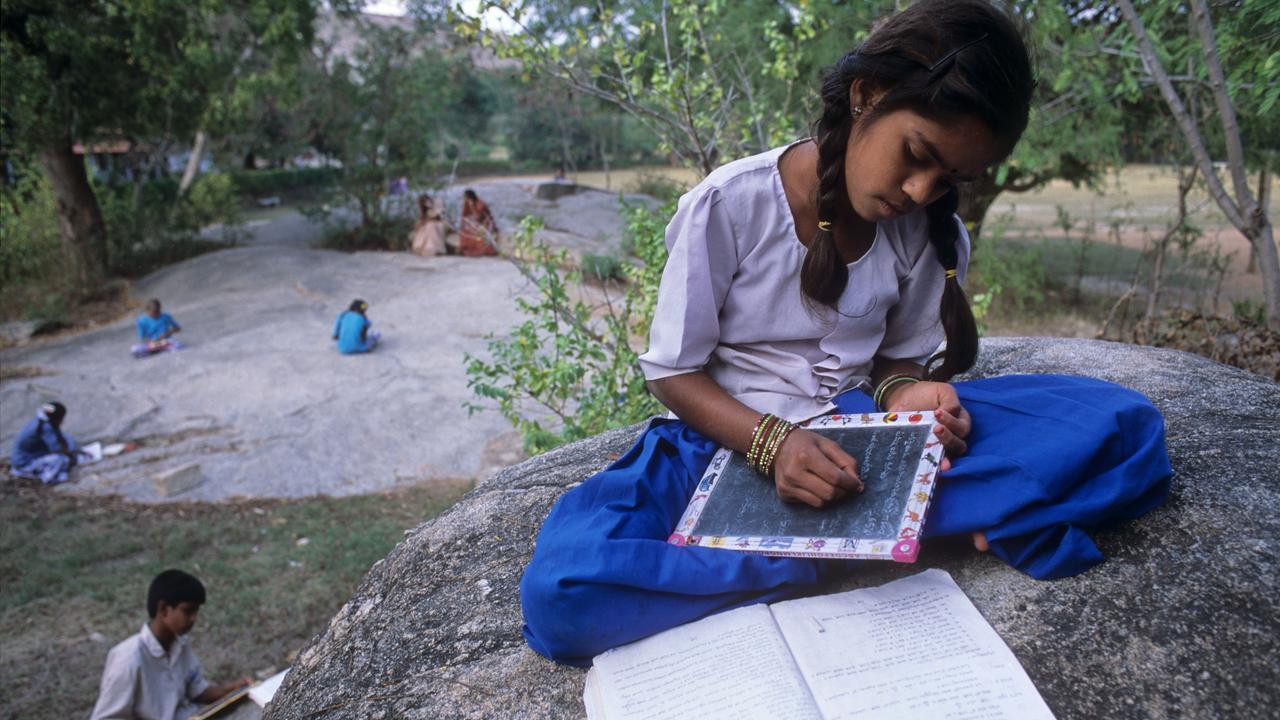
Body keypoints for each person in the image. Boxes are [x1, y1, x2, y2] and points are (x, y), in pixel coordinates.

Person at [519, 0, 1172, 667]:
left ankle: (831, 539)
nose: (921, 191)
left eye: (950, 178)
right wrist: (774, 446)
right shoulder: (732, 203)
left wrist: (904, 396)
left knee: (1128, 428)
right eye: (916, 155)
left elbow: (893, 361)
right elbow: (673, 373)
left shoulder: (925, 231)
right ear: (868, 94)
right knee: (562, 593)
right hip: (721, 444)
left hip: (868, 451)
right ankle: (833, 557)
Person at [90, 570, 251, 720]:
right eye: (188, 611)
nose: (194, 618)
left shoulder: (180, 643)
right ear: (163, 609)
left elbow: (197, 691)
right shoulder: (129, 659)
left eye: (196, 612)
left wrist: (234, 689)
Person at [10, 401, 79, 485]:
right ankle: (48, 479)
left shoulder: (41, 420)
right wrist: (71, 455)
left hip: (29, 454)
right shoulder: (45, 427)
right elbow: (57, 449)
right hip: (24, 463)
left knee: (68, 439)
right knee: (61, 459)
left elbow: (59, 437)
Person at [458, 189, 499, 257]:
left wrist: (471, 207)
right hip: (475, 223)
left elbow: (479, 217)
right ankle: (466, 248)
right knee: (465, 230)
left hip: (485, 223)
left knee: (478, 231)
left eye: (465, 197)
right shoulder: (467, 203)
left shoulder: (480, 204)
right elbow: (464, 215)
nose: (464, 199)